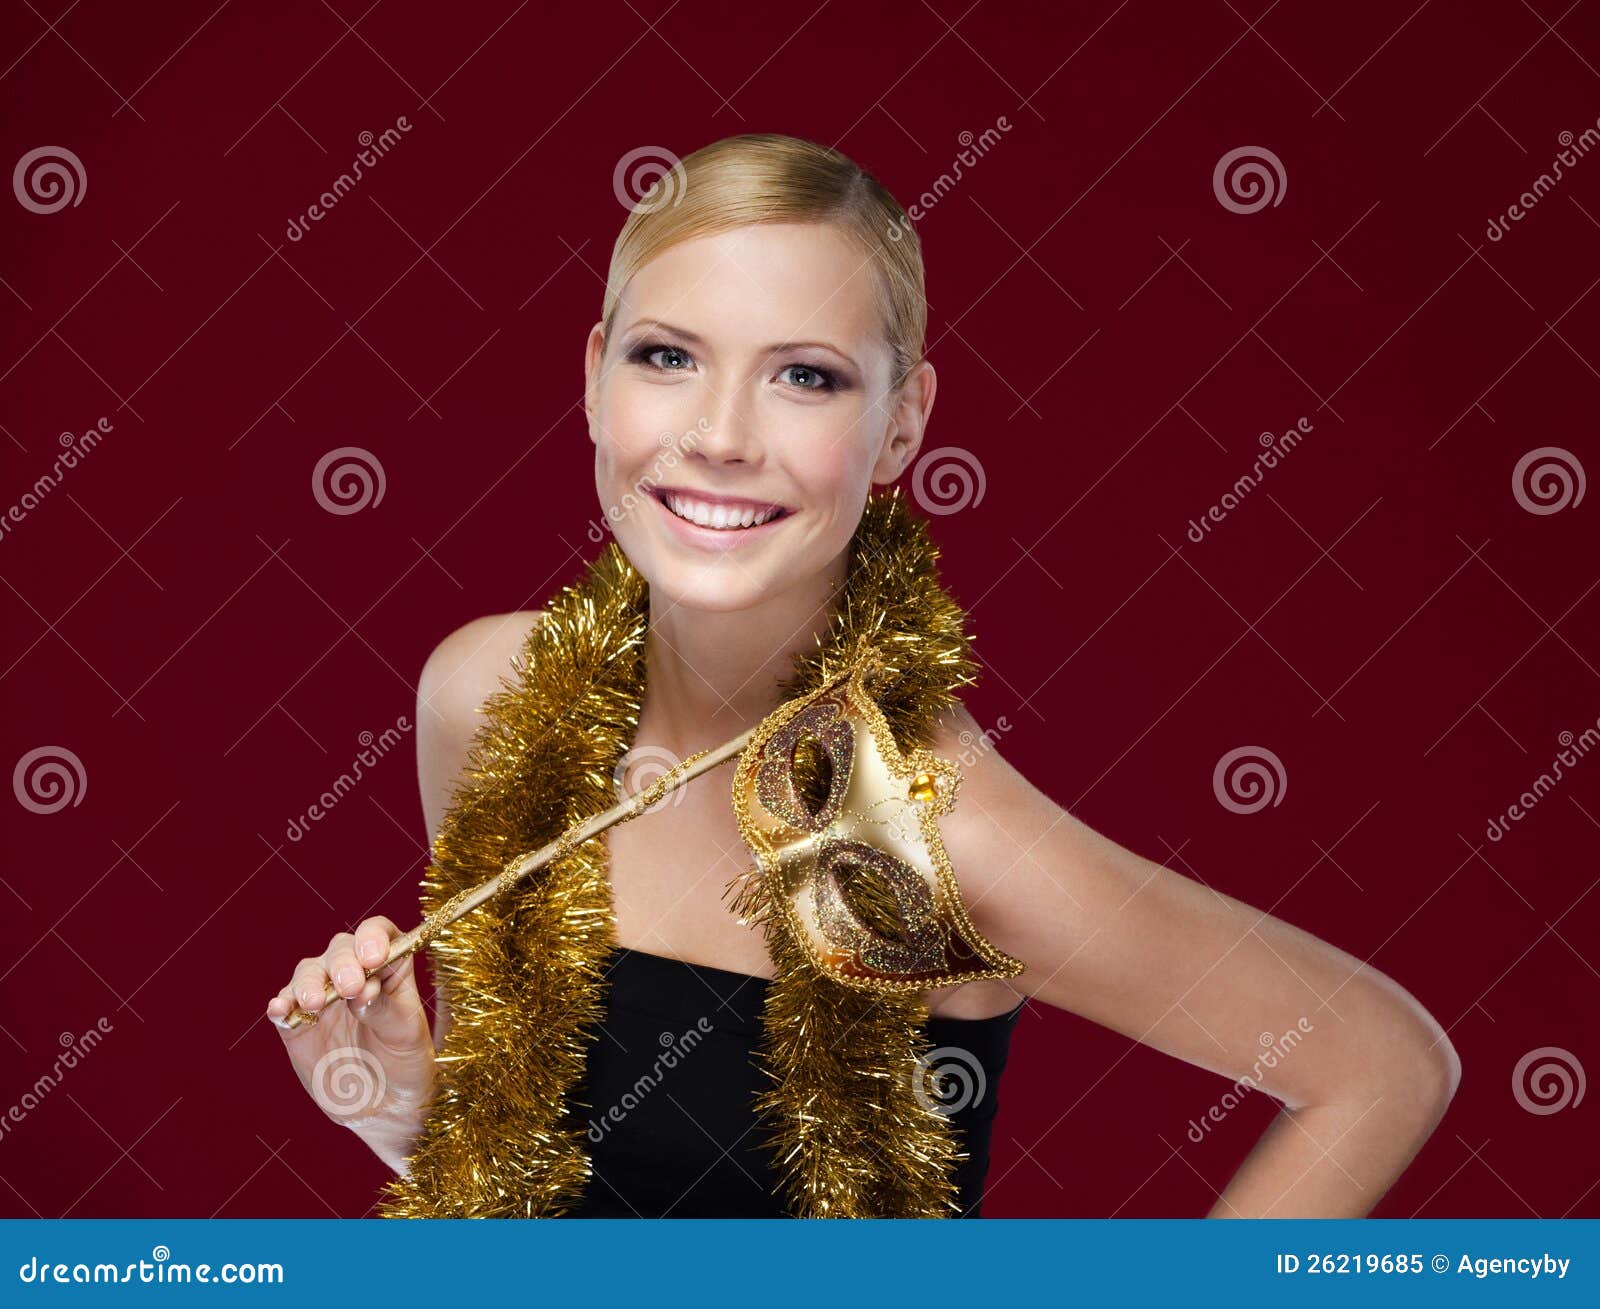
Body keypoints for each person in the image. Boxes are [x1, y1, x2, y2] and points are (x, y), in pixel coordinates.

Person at [266, 133, 1460, 1217]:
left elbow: (1379, 1065)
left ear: (901, 424)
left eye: (806, 377)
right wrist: (398, 1107)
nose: (721, 433)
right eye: (668, 355)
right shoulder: (484, 697)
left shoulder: (933, 821)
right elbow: (545, 1196)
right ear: (593, 379)